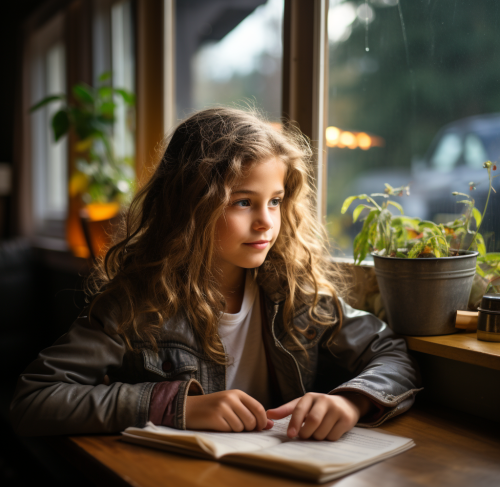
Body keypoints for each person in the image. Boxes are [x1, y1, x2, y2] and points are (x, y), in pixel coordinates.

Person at [10, 107, 420, 440]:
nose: (265, 222)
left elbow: (390, 353)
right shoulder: (136, 304)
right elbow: (34, 399)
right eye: (243, 202)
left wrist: (354, 401)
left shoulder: (297, 292)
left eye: (275, 201)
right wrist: (177, 407)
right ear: (190, 206)